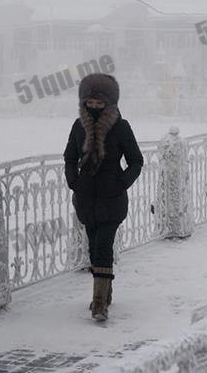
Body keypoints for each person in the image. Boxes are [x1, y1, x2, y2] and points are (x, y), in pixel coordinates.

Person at [64, 73, 143, 322]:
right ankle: (105, 292)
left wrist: (121, 182)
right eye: (90, 102)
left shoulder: (121, 127)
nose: (94, 106)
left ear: (110, 103)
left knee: (103, 246)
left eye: (100, 103)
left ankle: (99, 303)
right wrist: (73, 181)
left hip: (111, 198)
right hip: (86, 198)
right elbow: (69, 157)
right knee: (93, 247)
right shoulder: (78, 127)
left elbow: (136, 161)